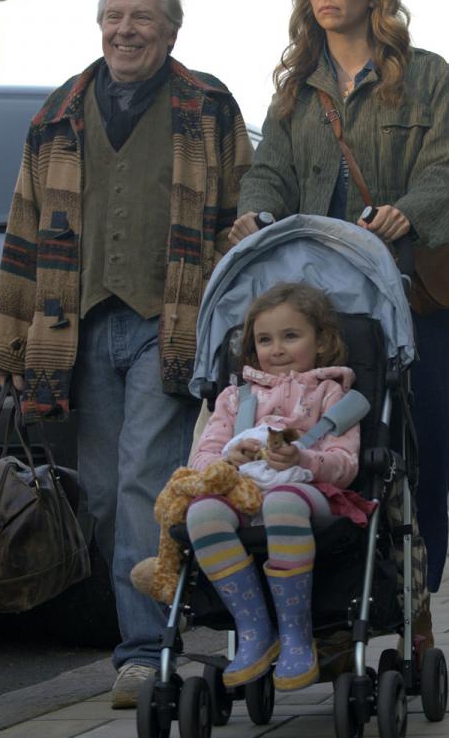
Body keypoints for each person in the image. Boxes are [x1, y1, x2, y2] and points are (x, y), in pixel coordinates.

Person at [0, 0, 254, 707]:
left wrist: (245, 323)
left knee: (141, 485)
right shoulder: (59, 114)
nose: (124, 29)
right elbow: (24, 232)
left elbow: (244, 214)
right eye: (113, 16)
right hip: (78, 329)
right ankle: (189, 604)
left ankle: (143, 652)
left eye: (141, 17)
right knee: (105, 495)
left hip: (170, 325)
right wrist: (9, 345)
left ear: (171, 31)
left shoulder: (208, 106)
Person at [228, 0, 449, 657]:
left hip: (407, 291)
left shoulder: (429, 77)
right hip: (324, 309)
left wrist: (408, 210)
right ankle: (338, 616)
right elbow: (269, 172)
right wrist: (253, 212)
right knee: (334, 452)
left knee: (421, 457)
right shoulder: (296, 90)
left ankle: (415, 611)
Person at [184, 282, 363, 691]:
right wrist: (231, 457)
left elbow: (345, 464)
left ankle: (296, 634)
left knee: (283, 500)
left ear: (321, 343)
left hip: (306, 496)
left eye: (291, 336)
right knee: (202, 511)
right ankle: (255, 631)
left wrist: (303, 458)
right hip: (244, 494)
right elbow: (201, 459)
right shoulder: (235, 398)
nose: (277, 349)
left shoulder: (333, 394)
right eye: (265, 339)